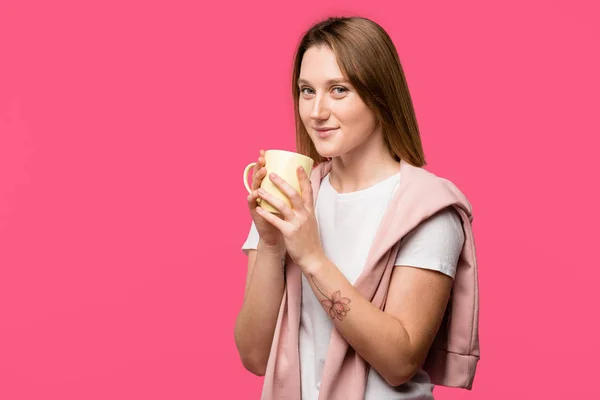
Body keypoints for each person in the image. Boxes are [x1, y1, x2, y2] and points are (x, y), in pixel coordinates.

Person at [234, 16, 475, 400]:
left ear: (379, 94)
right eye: (307, 90)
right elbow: (254, 356)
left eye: (339, 90)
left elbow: (399, 362)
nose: (317, 111)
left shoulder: (427, 209)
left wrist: (312, 257)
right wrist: (272, 245)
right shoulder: (292, 196)